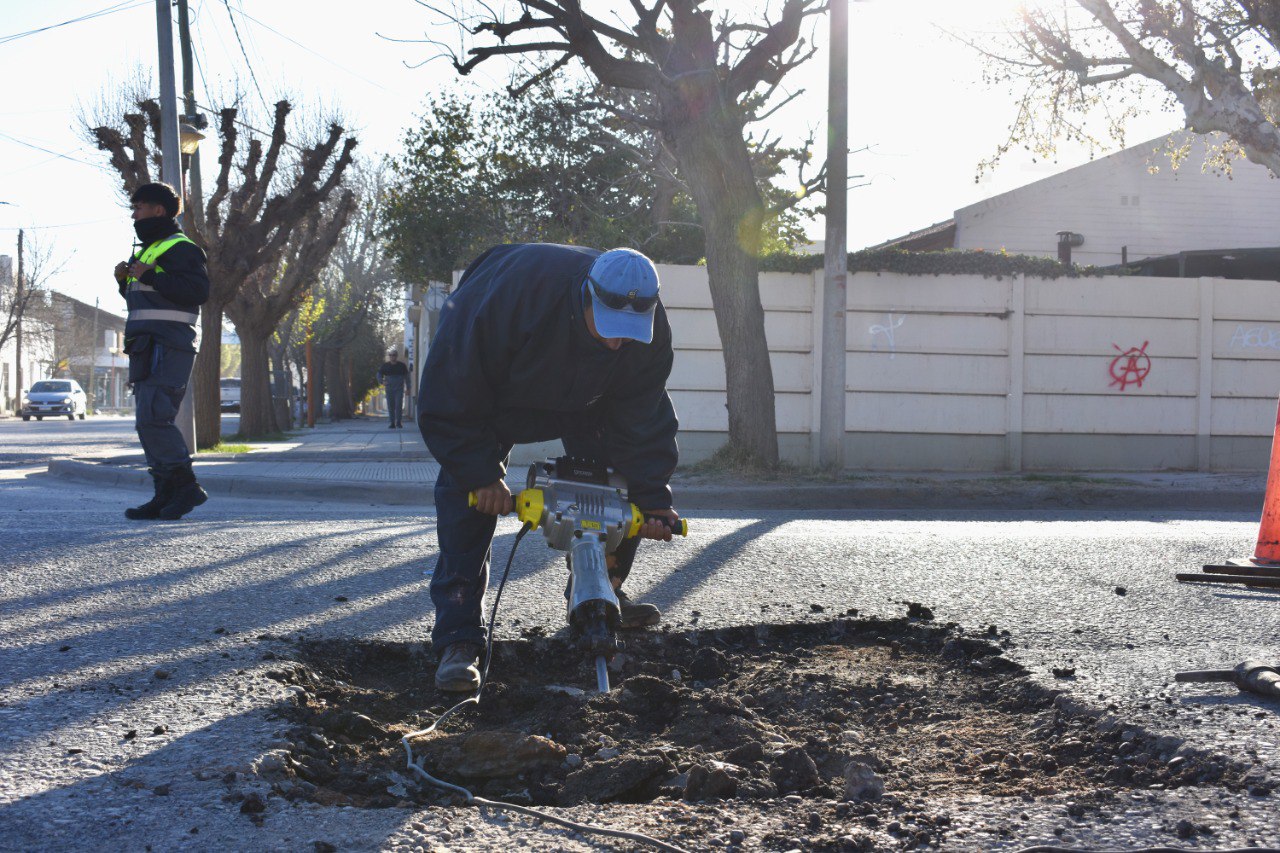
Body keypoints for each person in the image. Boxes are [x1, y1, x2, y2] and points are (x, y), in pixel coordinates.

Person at [418, 244, 681, 692]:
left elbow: (642, 417)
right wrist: (481, 473)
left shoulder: (648, 334)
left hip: (591, 401)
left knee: (617, 497)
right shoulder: (508, 296)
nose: (618, 342)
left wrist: (653, 499)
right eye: (610, 329)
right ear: (587, 296)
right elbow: (451, 391)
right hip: (498, 395)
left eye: (629, 332)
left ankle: (599, 596)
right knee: (465, 500)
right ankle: (458, 639)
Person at [112, 182, 211, 521]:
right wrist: (123, 282)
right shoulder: (146, 250)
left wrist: (151, 274)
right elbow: (142, 300)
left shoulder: (181, 248)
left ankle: (186, 488)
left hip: (170, 345)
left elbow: (197, 291)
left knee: (154, 417)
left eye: (138, 207)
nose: (133, 214)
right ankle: (165, 492)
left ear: (158, 210)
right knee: (146, 422)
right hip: (145, 347)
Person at [377, 350, 410, 428]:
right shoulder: (385, 366)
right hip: (389, 389)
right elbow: (379, 374)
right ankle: (392, 423)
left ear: (396, 356)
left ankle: (398, 422)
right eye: (391, 355)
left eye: (394, 355)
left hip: (399, 389)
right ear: (389, 356)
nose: (392, 356)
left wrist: (408, 388)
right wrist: (382, 381)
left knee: (398, 405)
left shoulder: (402, 366)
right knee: (391, 406)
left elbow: (407, 378)